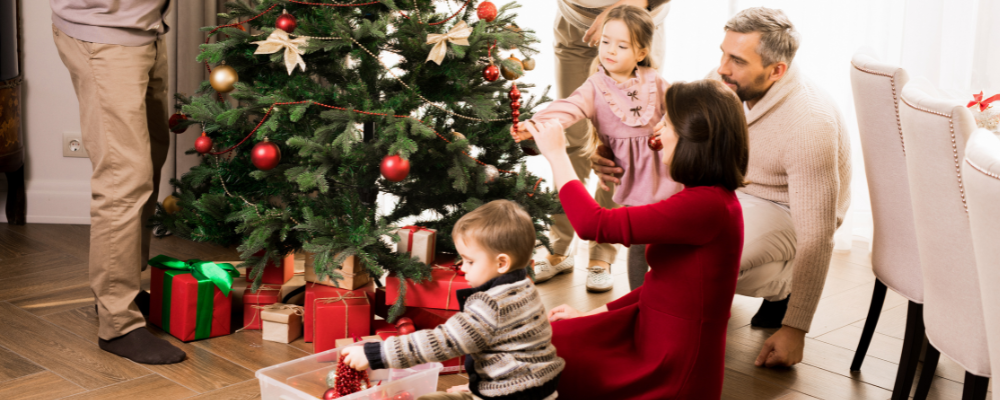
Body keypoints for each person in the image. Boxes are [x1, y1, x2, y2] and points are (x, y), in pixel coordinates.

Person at [592, 7, 852, 368]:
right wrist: (613, 152)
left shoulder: (810, 123)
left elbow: (817, 235)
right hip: (728, 184)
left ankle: (782, 291)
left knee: (698, 254)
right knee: (649, 220)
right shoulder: (724, 79)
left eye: (737, 60)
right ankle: (643, 318)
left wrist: (797, 327)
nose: (722, 67)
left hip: (786, 208)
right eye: (723, 53)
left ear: (777, 70)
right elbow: (669, 130)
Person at [532, 79, 748, 399]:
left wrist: (557, 155)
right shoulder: (704, 199)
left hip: (670, 366)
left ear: (692, 140)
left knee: (551, 353)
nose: (657, 131)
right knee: (555, 338)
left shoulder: (707, 207)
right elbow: (660, 286)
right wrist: (591, 316)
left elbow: (593, 224)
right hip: (650, 337)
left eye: (667, 122)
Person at [51, 1, 182, 364]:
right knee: (123, 177)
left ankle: (120, 290)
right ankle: (118, 323)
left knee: (150, 158)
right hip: (106, 36)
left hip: (144, 28)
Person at [518, 5, 681, 292]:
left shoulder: (654, 80)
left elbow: (680, 108)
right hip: (624, 184)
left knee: (658, 247)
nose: (609, 51)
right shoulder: (594, 87)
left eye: (620, 46)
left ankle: (615, 265)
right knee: (638, 247)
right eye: (606, 43)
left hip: (658, 181)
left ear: (640, 53)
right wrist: (535, 123)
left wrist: (668, 125)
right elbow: (569, 107)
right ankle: (633, 298)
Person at [341, 200, 565, 400]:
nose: (462, 268)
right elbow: (515, 354)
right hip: (537, 388)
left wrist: (377, 354)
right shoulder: (525, 287)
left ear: (501, 263)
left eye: (469, 261)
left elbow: (443, 342)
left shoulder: (492, 305)